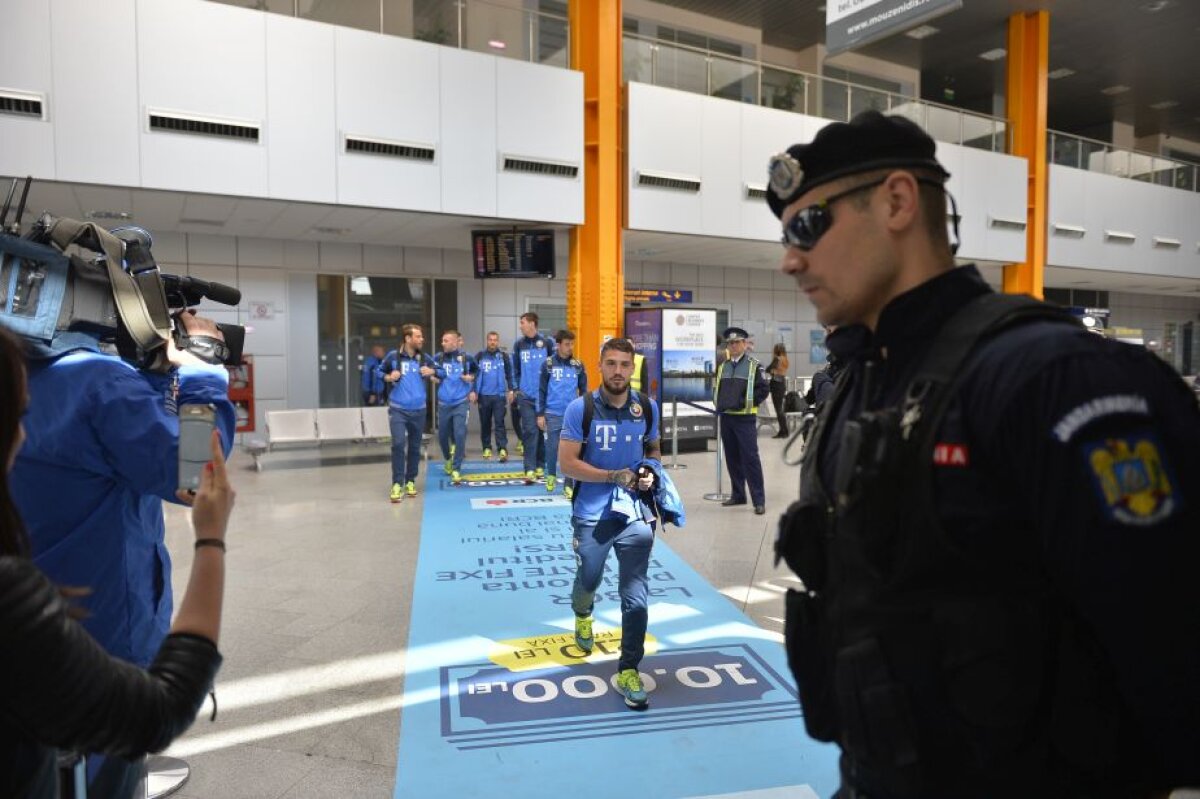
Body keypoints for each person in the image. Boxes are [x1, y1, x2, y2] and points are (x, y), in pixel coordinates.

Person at [769, 110, 1200, 797]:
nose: (790, 257)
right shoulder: (864, 380)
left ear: (898, 202)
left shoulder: (1049, 379)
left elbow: (1169, 658)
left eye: (806, 227)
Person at [0, 325, 235, 799]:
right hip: (98, 640)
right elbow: (193, 472)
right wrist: (204, 377)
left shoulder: (28, 367)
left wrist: (150, 375)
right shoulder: (96, 381)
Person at [557, 338, 660, 710]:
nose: (618, 371)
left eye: (625, 365)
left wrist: (650, 473)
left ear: (633, 369)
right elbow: (567, 464)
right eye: (611, 364)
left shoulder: (646, 407)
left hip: (634, 513)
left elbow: (653, 450)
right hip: (591, 513)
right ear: (599, 366)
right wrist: (613, 476)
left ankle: (629, 667)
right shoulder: (579, 409)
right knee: (590, 576)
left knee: (635, 594)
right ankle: (583, 613)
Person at [712, 326, 770, 515]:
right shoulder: (724, 366)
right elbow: (718, 389)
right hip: (727, 418)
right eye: (731, 343)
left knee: (750, 459)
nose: (734, 346)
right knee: (732, 458)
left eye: (737, 342)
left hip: (745, 419)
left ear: (745, 344)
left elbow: (763, 390)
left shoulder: (754, 365)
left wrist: (745, 402)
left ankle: (759, 500)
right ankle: (738, 495)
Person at [381, 324, 436, 502]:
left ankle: (410, 480)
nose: (422, 339)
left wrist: (432, 371)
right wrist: (389, 377)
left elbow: (440, 371)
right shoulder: (393, 356)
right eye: (418, 336)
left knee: (414, 447)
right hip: (398, 409)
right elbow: (377, 370)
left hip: (419, 411)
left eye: (421, 336)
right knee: (398, 444)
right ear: (408, 338)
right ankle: (397, 483)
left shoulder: (424, 358)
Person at [537, 329, 587, 496]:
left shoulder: (578, 365)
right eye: (567, 344)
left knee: (572, 451)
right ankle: (551, 475)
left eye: (572, 344)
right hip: (552, 413)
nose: (570, 347)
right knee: (552, 448)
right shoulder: (548, 364)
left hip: (572, 415)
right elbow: (542, 390)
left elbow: (584, 391)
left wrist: (585, 411)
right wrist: (540, 413)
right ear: (558, 345)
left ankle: (568, 483)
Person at [512, 312, 554, 480]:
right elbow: (515, 369)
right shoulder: (518, 344)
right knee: (529, 431)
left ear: (532, 324)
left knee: (541, 430)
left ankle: (540, 465)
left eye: (522, 322)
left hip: (543, 396)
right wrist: (516, 388)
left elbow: (553, 367)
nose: (520, 325)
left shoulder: (547, 343)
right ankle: (529, 468)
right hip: (526, 396)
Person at [432, 329, 476, 484]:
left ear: (455, 342)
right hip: (444, 404)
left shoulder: (467, 357)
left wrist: (471, 378)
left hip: (460, 403)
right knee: (442, 436)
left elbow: (476, 372)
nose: (442, 343)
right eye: (442, 340)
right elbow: (432, 371)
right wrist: (433, 376)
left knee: (459, 434)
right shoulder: (438, 357)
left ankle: (457, 468)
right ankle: (448, 459)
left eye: (445, 340)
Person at [473, 332, 514, 463]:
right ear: (487, 341)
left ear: (498, 342)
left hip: (499, 396)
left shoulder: (503, 356)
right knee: (485, 423)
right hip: (483, 396)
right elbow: (474, 375)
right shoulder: (480, 356)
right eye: (490, 340)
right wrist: (474, 391)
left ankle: (502, 448)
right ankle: (486, 447)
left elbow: (509, 374)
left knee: (499, 423)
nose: (492, 342)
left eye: (495, 340)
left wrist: (511, 390)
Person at [767, 343, 790, 438]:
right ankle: (783, 430)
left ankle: (784, 431)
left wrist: (772, 371)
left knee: (779, 409)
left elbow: (768, 369)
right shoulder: (785, 359)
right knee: (780, 409)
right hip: (782, 384)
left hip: (776, 384)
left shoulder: (777, 359)